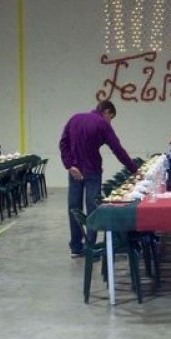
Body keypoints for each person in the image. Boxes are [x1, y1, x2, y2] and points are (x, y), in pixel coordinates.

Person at [59, 100, 139, 257]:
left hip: (75, 171)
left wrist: (69, 165)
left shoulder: (74, 119)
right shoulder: (102, 124)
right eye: (111, 117)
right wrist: (134, 169)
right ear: (107, 111)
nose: (110, 122)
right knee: (93, 209)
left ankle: (76, 246)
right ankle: (90, 246)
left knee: (74, 208)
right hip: (92, 171)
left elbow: (63, 143)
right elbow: (117, 149)